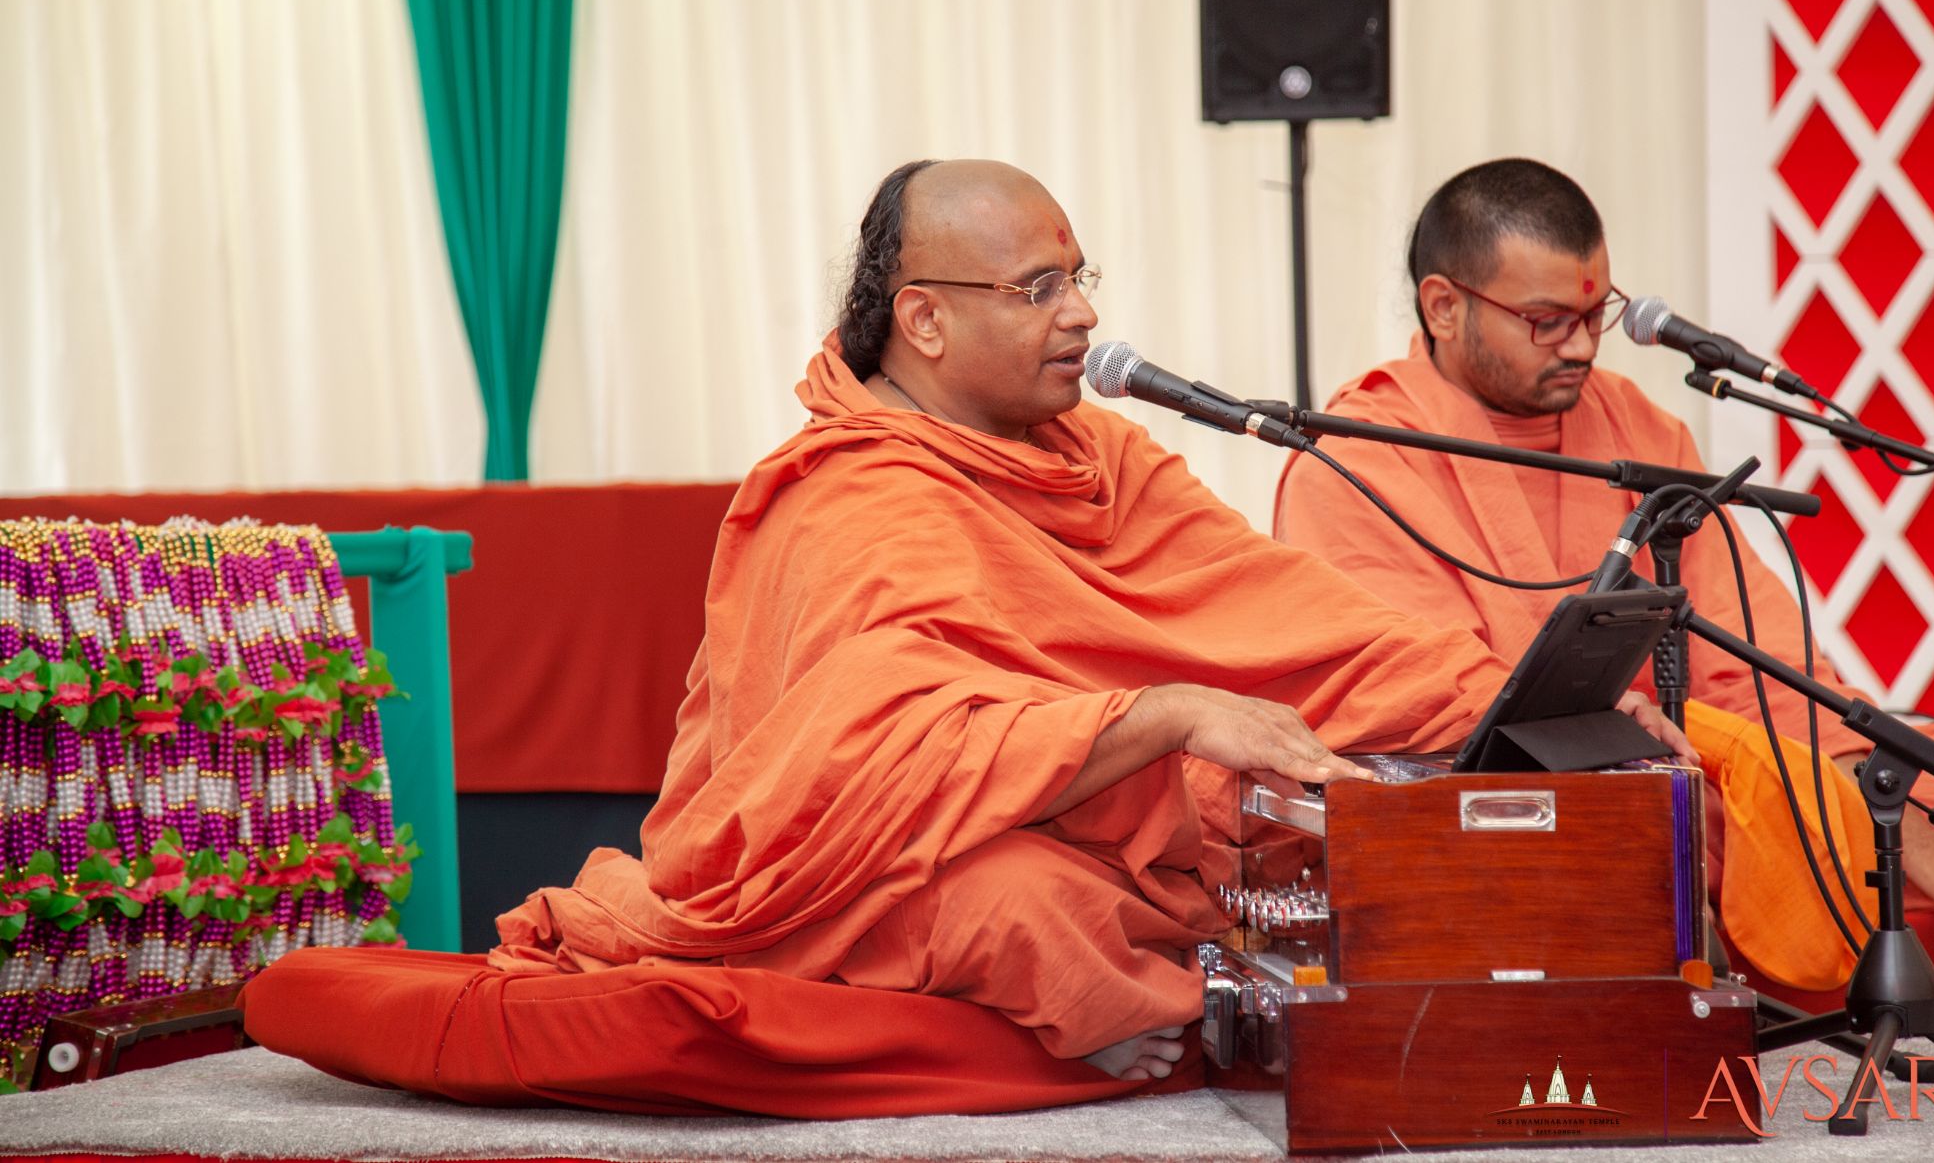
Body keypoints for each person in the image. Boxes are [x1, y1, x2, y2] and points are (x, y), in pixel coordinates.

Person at [242, 158, 1693, 1114]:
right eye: (1040, 290)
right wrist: (1160, 716)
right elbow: (866, 763)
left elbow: (1291, 620)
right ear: (924, 322)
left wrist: (1506, 701)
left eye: (1081, 277)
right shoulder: (845, 490)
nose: (1083, 315)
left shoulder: (1104, 457)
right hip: (853, 862)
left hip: (1091, 817)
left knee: (1304, 837)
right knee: (1020, 907)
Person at [1274, 157, 1934, 980]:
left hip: (1688, 785)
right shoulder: (1356, 459)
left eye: (1595, 313)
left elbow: (1764, 675)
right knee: (1587, 821)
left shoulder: (1640, 430)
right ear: (1443, 305)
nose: (1581, 345)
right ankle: (1740, 877)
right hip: (1514, 811)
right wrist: (1620, 742)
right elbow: (1414, 706)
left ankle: (1728, 874)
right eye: (1546, 321)